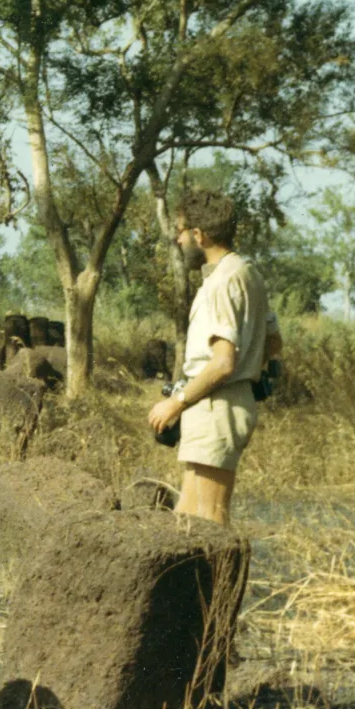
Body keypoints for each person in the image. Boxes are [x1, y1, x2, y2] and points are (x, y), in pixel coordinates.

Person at [147, 189, 277, 526]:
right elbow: (274, 343)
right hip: (221, 402)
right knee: (188, 515)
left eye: (180, 232)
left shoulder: (222, 281)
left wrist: (176, 402)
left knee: (210, 520)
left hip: (216, 404)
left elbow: (222, 363)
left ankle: (224, 581)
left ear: (198, 235)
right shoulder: (248, 274)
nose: (177, 240)